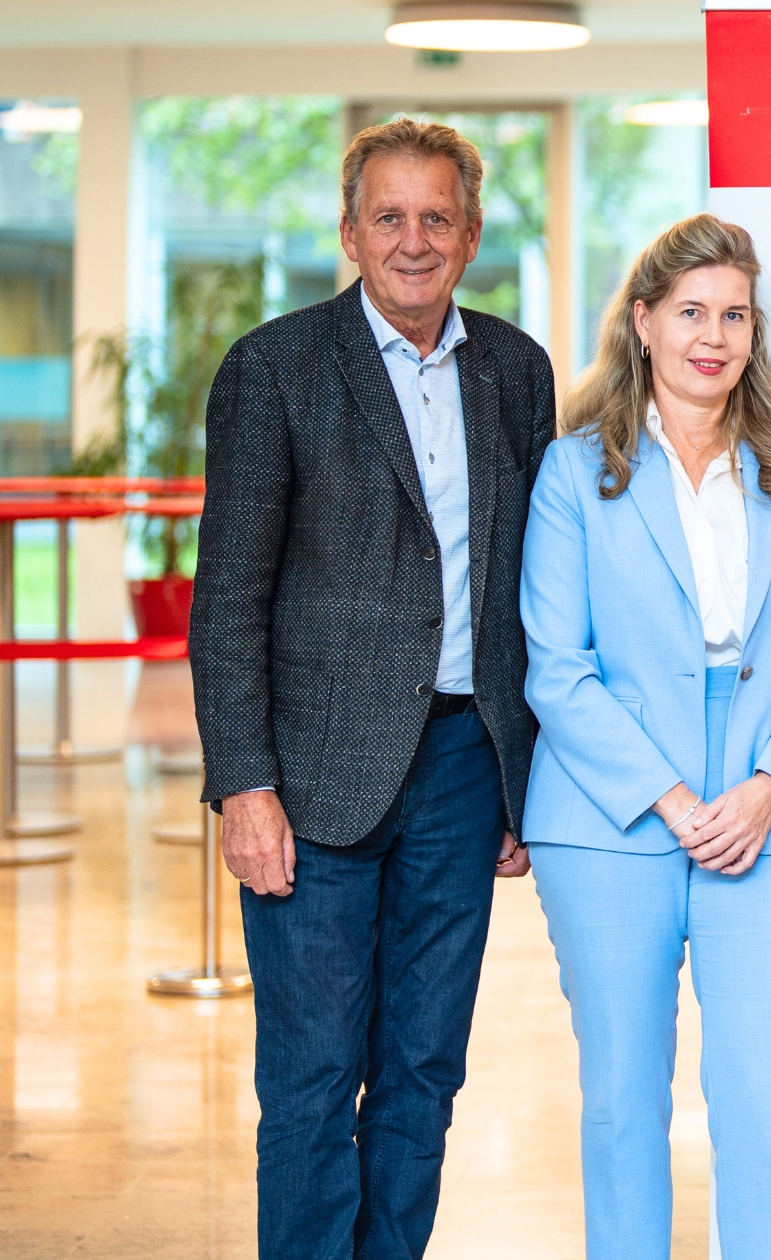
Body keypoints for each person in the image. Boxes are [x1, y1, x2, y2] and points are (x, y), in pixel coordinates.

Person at [190, 118, 552, 1259]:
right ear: (349, 233)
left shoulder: (515, 370)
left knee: (422, 1073)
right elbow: (228, 599)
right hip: (311, 781)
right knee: (309, 1082)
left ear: (472, 235)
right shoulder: (274, 368)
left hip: (462, 770)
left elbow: (530, 586)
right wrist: (243, 786)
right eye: (388, 217)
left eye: (436, 217)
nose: (413, 240)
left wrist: (520, 776)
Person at [518, 213, 771, 1260]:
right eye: (690, 313)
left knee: (761, 1095)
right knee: (624, 1097)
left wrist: (767, 787)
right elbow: (558, 668)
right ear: (643, 322)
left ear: (755, 333)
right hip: (610, 808)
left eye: (735, 316)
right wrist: (671, 799)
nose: (713, 337)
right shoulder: (574, 474)